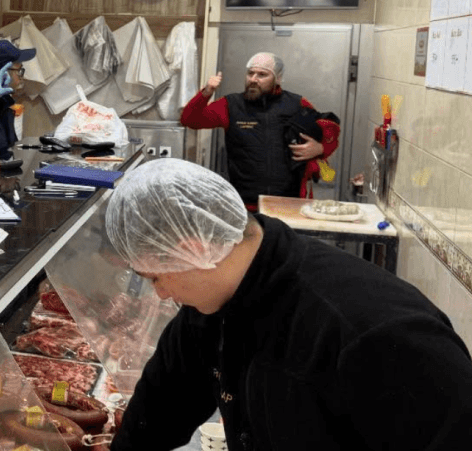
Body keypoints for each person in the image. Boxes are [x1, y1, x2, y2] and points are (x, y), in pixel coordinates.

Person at [105, 158, 472, 451]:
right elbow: (160, 408)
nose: (160, 295)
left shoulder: (373, 332)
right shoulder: (210, 311)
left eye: (155, 277)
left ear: (193, 248)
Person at [179, 52, 340, 209]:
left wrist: (320, 149)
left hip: (289, 203)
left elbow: (328, 131)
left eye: (262, 75)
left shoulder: (296, 104)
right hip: (244, 203)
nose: (253, 80)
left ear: (277, 79)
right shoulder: (231, 105)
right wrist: (206, 92)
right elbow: (190, 120)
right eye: (250, 73)